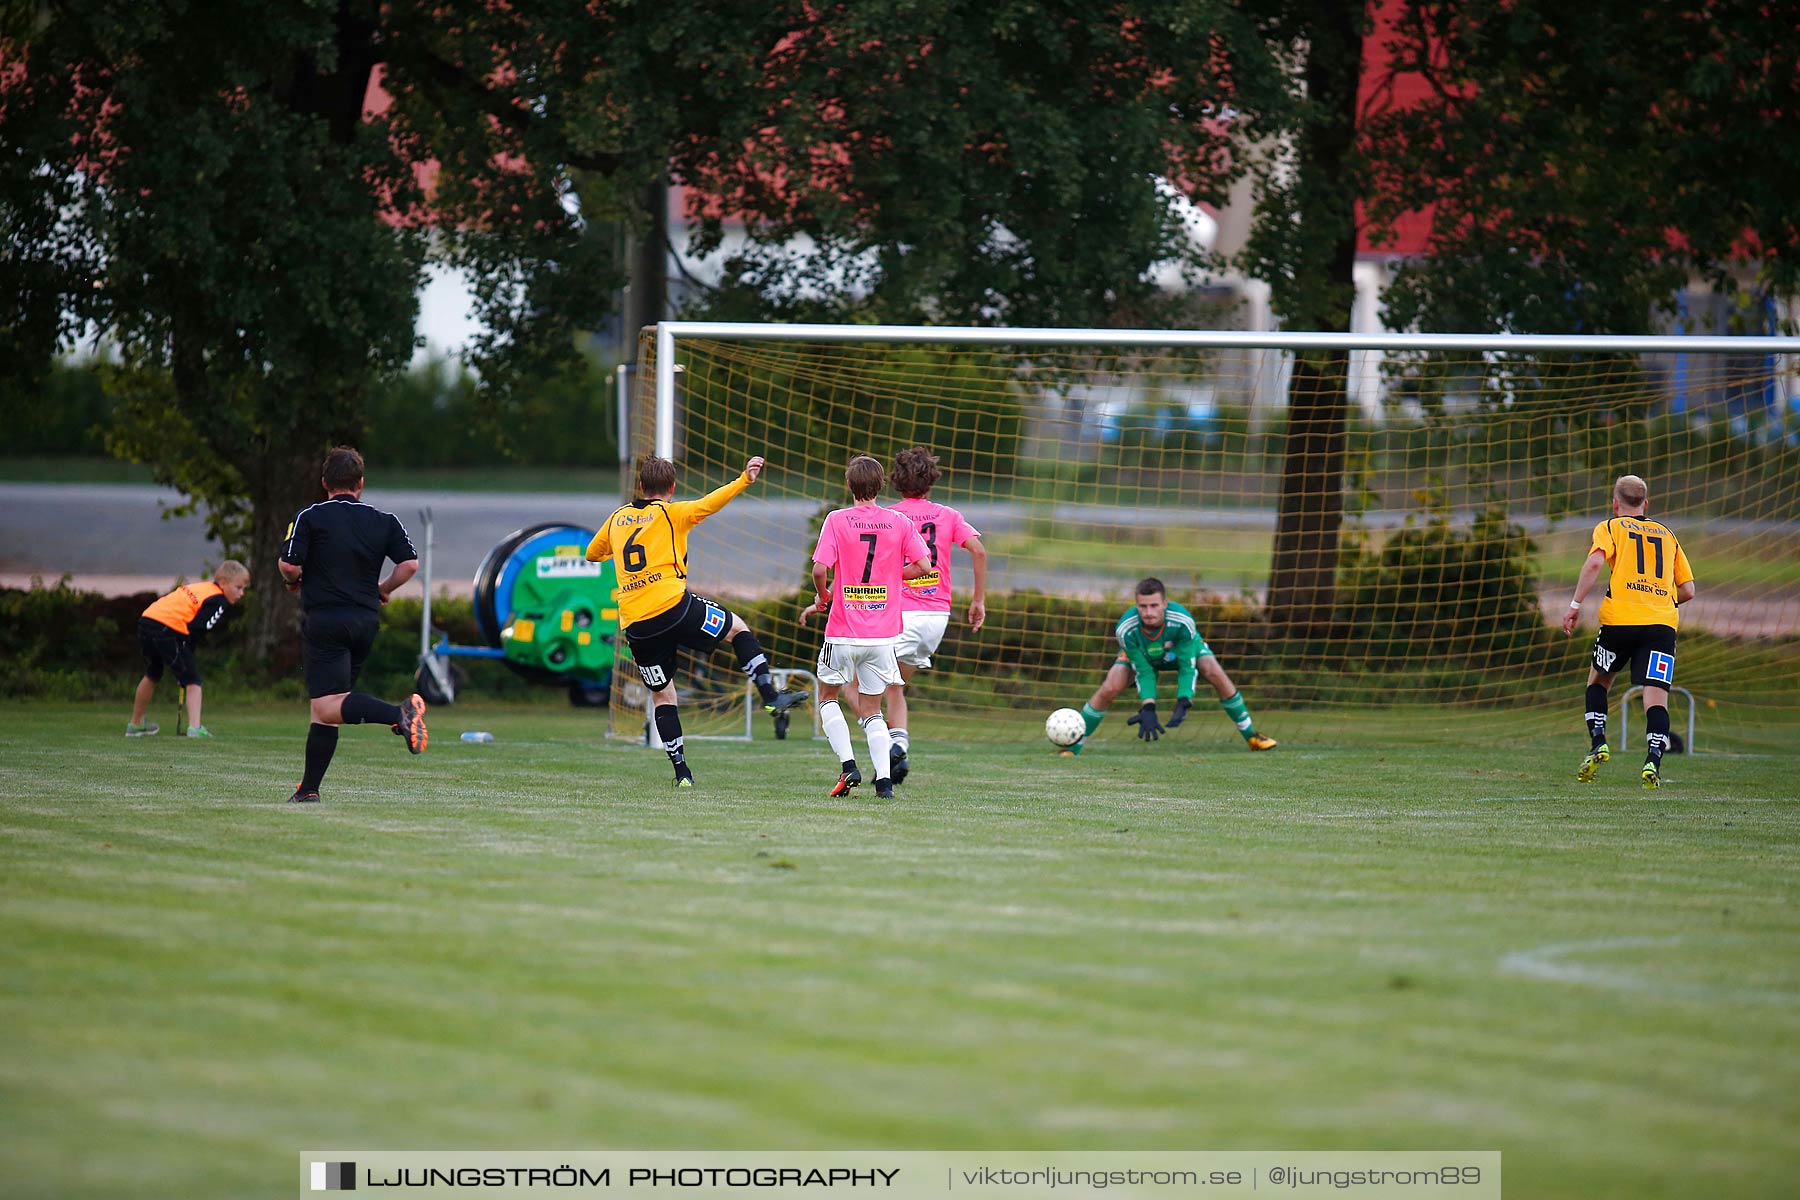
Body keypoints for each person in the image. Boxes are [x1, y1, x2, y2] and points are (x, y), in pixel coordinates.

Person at [586, 454, 807, 788]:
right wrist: (744, 479)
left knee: (662, 696)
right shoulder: (673, 512)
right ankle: (769, 695)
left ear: (641, 487)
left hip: (637, 625)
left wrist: (617, 549)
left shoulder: (618, 518)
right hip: (673, 606)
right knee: (737, 629)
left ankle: (682, 773)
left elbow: (591, 553)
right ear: (671, 489)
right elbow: (709, 503)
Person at [277, 446, 428, 803]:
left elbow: (289, 565)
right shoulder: (383, 520)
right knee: (327, 709)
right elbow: (409, 565)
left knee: (329, 705)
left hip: (327, 619)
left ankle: (400, 714)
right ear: (360, 483)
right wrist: (383, 590)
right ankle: (308, 790)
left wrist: (291, 583)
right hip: (365, 621)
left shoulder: (310, 516)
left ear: (325, 482)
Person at [802, 455, 931, 799]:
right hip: (883, 636)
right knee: (873, 710)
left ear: (850, 486)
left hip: (843, 631)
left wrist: (823, 594)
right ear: (880, 486)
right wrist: (891, 576)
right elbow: (924, 564)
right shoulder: (899, 521)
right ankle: (885, 785)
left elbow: (818, 569)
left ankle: (848, 766)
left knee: (828, 696)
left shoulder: (837, 520)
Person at [1560, 473, 1695, 789]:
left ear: (1615, 503)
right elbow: (1688, 589)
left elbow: (1594, 565)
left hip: (1619, 621)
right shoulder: (1667, 534)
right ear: (1646, 503)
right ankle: (1653, 761)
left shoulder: (1610, 527)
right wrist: (1660, 601)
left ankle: (1598, 743)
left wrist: (1575, 606)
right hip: (1661, 626)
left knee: (1599, 680)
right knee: (1656, 699)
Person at [1063, 577, 1277, 754]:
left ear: (1165, 604)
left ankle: (1252, 737)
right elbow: (1144, 670)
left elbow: (1187, 665)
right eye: (1143, 606)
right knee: (1111, 685)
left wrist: (1184, 699)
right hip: (1144, 656)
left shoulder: (1182, 621)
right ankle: (1073, 747)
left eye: (1154, 605)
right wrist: (1148, 706)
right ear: (1136, 605)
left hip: (1180, 654)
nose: (1148, 612)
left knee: (1213, 670)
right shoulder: (1126, 629)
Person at [882, 446, 988, 785]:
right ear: (932, 482)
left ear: (896, 482)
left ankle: (883, 745)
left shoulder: (889, 516)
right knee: (895, 687)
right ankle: (899, 745)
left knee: (852, 686)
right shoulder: (948, 516)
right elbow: (979, 550)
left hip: (899, 616)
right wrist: (978, 601)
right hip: (936, 618)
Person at [125, 560, 250, 739]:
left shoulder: (203, 588)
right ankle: (195, 728)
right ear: (223, 583)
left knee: (153, 673)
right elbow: (197, 629)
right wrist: (186, 661)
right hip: (167, 628)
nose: (241, 593)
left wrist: (182, 662)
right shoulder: (218, 599)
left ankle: (135, 724)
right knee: (193, 680)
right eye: (238, 588)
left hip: (146, 621)